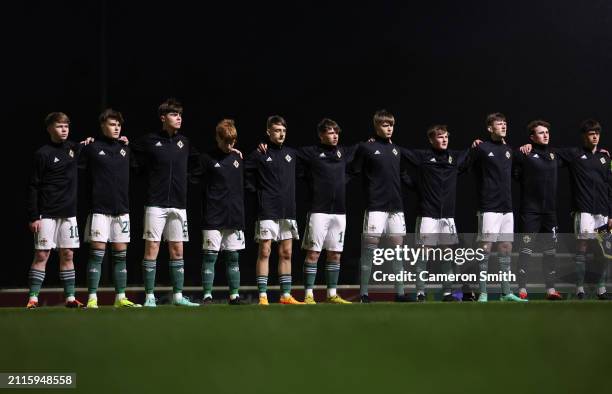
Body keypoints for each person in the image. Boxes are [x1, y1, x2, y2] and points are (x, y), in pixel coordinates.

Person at [522, 119, 612, 300]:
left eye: (597, 133)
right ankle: (580, 289)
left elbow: (609, 185)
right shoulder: (573, 154)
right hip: (583, 210)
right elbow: (546, 151)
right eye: (591, 133)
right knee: (583, 247)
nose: (595, 136)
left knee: (605, 252)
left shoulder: (605, 158)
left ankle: (601, 289)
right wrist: (528, 146)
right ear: (584, 136)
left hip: (603, 212)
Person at [131, 98, 199, 307]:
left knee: (177, 250)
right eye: (173, 114)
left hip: (179, 205)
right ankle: (150, 296)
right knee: (152, 248)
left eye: (180, 114)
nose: (178, 118)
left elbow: (200, 163)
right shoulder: (150, 140)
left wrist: (231, 151)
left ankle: (178, 296)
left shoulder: (184, 143)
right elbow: (130, 155)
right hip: (155, 204)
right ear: (163, 118)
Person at [79, 109, 141, 308]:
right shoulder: (92, 147)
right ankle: (92, 298)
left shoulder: (126, 149)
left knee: (120, 254)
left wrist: (129, 144)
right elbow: (74, 166)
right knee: (97, 253)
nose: (116, 128)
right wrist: (81, 146)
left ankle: (120, 297)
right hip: (99, 209)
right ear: (102, 126)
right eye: (112, 124)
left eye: (118, 125)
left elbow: (139, 168)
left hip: (122, 210)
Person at [348, 109, 412, 303]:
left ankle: (400, 293)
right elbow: (353, 169)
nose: (389, 128)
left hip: (396, 208)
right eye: (385, 125)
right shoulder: (366, 148)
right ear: (377, 126)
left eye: (391, 125)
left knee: (398, 250)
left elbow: (403, 175)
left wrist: (419, 188)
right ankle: (364, 294)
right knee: (370, 248)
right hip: (376, 206)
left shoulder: (396, 150)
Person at [401, 125, 471, 301]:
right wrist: (415, 187)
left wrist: (477, 144)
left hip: (448, 216)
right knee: (424, 254)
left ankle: (447, 293)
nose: (444, 139)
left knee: (447, 254)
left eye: (446, 136)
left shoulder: (454, 157)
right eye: (440, 137)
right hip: (427, 215)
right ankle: (420, 292)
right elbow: (398, 153)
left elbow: (471, 153)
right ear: (431, 140)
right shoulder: (422, 157)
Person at [245, 115, 304, 305]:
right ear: (268, 131)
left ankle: (285, 295)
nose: (281, 134)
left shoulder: (292, 154)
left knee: (286, 252)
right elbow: (244, 173)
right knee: (265, 251)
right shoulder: (259, 154)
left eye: (284, 131)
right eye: (277, 130)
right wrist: (258, 192)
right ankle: (262, 296)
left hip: (288, 210)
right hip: (267, 211)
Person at [26, 112, 83, 308]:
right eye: (59, 126)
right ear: (50, 128)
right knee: (42, 255)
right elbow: (33, 185)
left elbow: (95, 146)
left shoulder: (73, 148)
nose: (64, 129)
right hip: (47, 214)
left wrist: (123, 142)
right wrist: (34, 216)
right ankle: (33, 298)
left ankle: (70, 297)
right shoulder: (43, 153)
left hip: (69, 214)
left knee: (68, 255)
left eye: (66, 126)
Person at [472, 113, 526, 302]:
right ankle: (483, 292)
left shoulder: (509, 150)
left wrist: (527, 147)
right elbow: (467, 165)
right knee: (485, 249)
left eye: (505, 123)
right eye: (499, 124)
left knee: (505, 248)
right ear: (489, 128)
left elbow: (521, 166)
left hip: (507, 207)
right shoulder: (481, 148)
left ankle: (506, 292)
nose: (503, 126)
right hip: (489, 207)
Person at [194, 119, 244, 305]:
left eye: (233, 142)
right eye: (226, 142)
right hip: (213, 216)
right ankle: (207, 295)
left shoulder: (238, 158)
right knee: (210, 256)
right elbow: (194, 178)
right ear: (218, 138)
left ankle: (235, 295)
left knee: (233, 256)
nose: (230, 146)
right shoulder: (206, 159)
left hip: (234, 216)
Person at [513, 120, 563, 300]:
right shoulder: (524, 154)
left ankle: (550, 290)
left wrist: (602, 153)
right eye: (541, 133)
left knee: (550, 251)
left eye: (547, 132)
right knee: (526, 249)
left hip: (550, 213)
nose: (546, 135)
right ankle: (522, 289)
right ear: (532, 137)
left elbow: (578, 156)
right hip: (530, 212)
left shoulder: (554, 155)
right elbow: (508, 164)